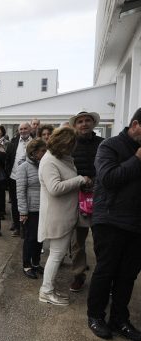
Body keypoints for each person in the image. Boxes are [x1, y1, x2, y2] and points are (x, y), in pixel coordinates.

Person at [86, 108, 141, 341]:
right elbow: (108, 179)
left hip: (137, 223)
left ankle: (119, 319)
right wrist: (137, 159)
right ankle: (95, 316)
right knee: (106, 270)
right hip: (110, 219)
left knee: (128, 275)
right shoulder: (109, 146)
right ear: (136, 124)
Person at [38, 127, 90, 306]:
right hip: (57, 216)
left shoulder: (61, 158)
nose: (73, 148)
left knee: (57, 254)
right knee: (56, 255)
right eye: (71, 145)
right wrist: (80, 180)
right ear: (63, 144)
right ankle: (46, 292)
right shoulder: (49, 161)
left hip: (64, 214)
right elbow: (54, 188)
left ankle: (48, 289)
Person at [68, 111, 104, 293]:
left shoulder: (103, 144)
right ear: (75, 125)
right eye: (80, 121)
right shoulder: (69, 145)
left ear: (93, 123)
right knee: (77, 242)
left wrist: (95, 183)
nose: (84, 124)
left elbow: (108, 167)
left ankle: (104, 277)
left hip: (100, 199)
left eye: (87, 120)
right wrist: (80, 181)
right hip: (77, 197)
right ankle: (79, 275)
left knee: (102, 242)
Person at [17, 139, 47, 278]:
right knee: (31, 238)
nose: (45, 153)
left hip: (44, 208)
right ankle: (26, 265)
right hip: (31, 210)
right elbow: (20, 191)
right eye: (43, 151)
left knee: (40, 238)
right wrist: (23, 211)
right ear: (34, 152)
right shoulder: (24, 167)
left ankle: (36, 263)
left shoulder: (44, 165)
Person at [6, 122, 33, 237]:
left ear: (30, 129)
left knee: (29, 203)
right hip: (14, 177)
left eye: (25, 128)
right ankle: (17, 227)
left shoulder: (35, 141)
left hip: (30, 178)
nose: (23, 131)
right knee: (15, 204)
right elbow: (8, 157)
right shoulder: (13, 141)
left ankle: (27, 228)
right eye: (21, 129)